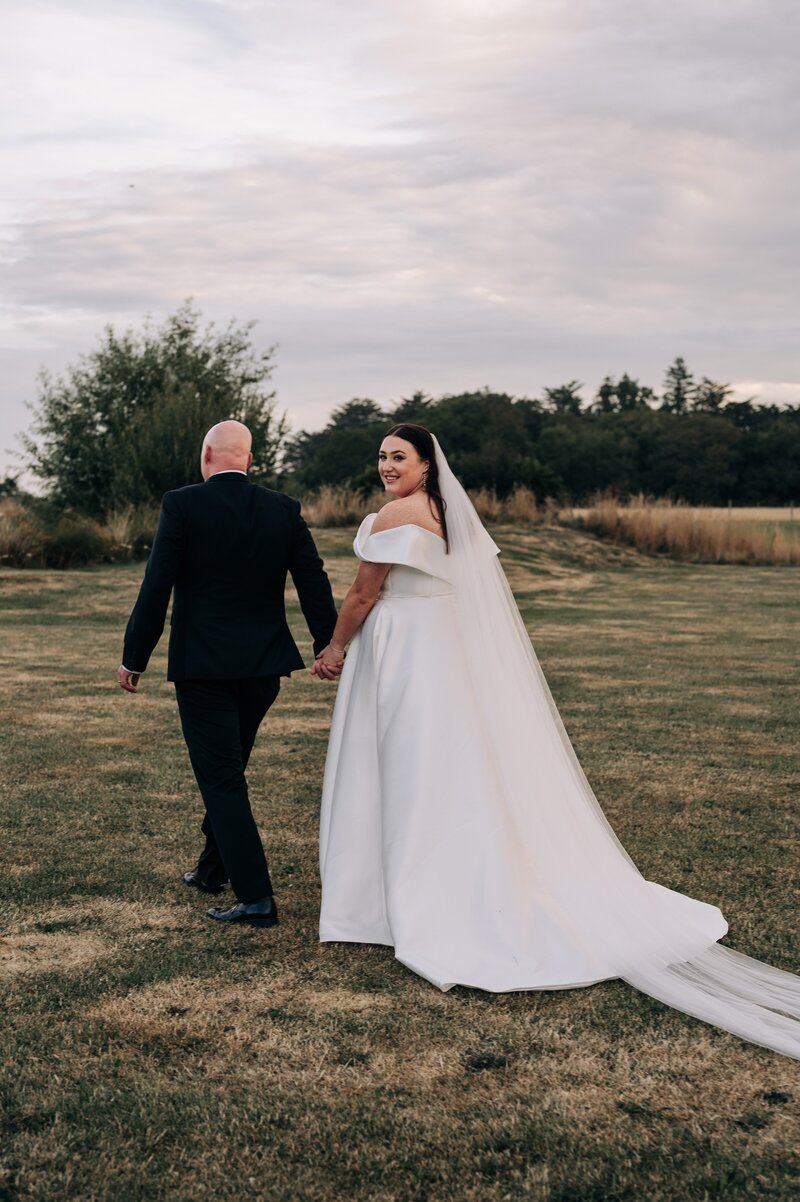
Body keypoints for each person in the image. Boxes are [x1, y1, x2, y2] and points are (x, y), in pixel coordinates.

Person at [313, 423, 799, 1059]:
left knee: (402, 769)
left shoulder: (395, 516)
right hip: (444, 656)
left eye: (397, 456)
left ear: (427, 464)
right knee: (449, 769)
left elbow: (362, 592)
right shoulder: (448, 514)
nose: (386, 465)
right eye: (381, 457)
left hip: (403, 650)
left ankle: (401, 896)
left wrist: (336, 646)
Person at [119, 420, 341, 928]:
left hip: (204, 668)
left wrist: (135, 655)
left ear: (206, 456)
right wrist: (328, 642)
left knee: (221, 779)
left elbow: (157, 585)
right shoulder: (282, 508)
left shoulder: (182, 504)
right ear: (249, 459)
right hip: (264, 667)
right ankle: (210, 869)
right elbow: (312, 579)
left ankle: (257, 897)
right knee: (229, 771)